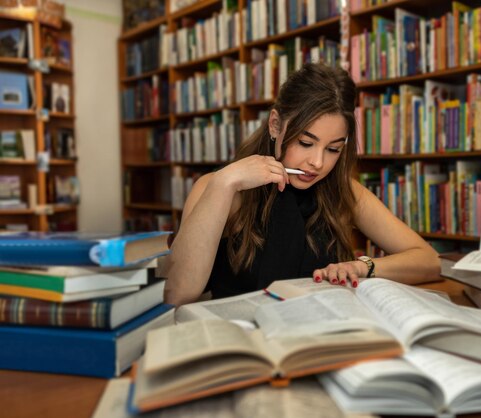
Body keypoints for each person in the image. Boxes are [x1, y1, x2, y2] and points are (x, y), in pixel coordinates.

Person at [164, 63, 440, 306]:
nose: (318, 162)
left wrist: (362, 266)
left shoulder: (342, 189)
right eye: (305, 143)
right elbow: (178, 293)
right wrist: (223, 183)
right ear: (275, 125)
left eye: (333, 149)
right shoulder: (219, 186)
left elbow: (428, 261)